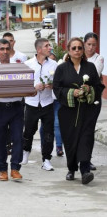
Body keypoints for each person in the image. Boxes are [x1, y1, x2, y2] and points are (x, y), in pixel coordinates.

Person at [53, 37, 104, 185]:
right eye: (74, 48)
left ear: (83, 51)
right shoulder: (62, 68)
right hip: (68, 112)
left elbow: (98, 86)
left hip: (87, 111)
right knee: (70, 140)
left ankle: (85, 171)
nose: (77, 51)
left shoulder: (90, 67)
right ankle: (71, 168)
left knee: (86, 139)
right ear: (68, 50)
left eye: (79, 48)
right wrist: (71, 93)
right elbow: (57, 88)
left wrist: (89, 89)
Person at [0, 38, 24, 181]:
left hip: (16, 107)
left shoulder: (19, 67)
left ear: (11, 50)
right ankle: (2, 169)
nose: (5, 52)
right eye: (2, 49)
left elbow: (27, 83)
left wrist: (32, 90)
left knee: (18, 138)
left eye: (7, 49)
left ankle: (15, 168)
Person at [21, 38, 58, 171]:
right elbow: (23, 84)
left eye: (50, 45)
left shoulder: (54, 64)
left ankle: (47, 159)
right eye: (47, 46)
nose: (50, 48)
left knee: (49, 132)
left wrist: (51, 86)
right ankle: (25, 152)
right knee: (29, 130)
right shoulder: (28, 64)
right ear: (39, 49)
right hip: (31, 103)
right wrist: (34, 86)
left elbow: (58, 83)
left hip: (47, 103)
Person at [84, 32, 104, 171]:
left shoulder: (99, 58)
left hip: (92, 99)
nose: (91, 47)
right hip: (78, 98)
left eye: (94, 45)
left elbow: (93, 74)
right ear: (84, 43)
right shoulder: (77, 56)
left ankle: (87, 159)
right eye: (89, 44)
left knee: (89, 130)